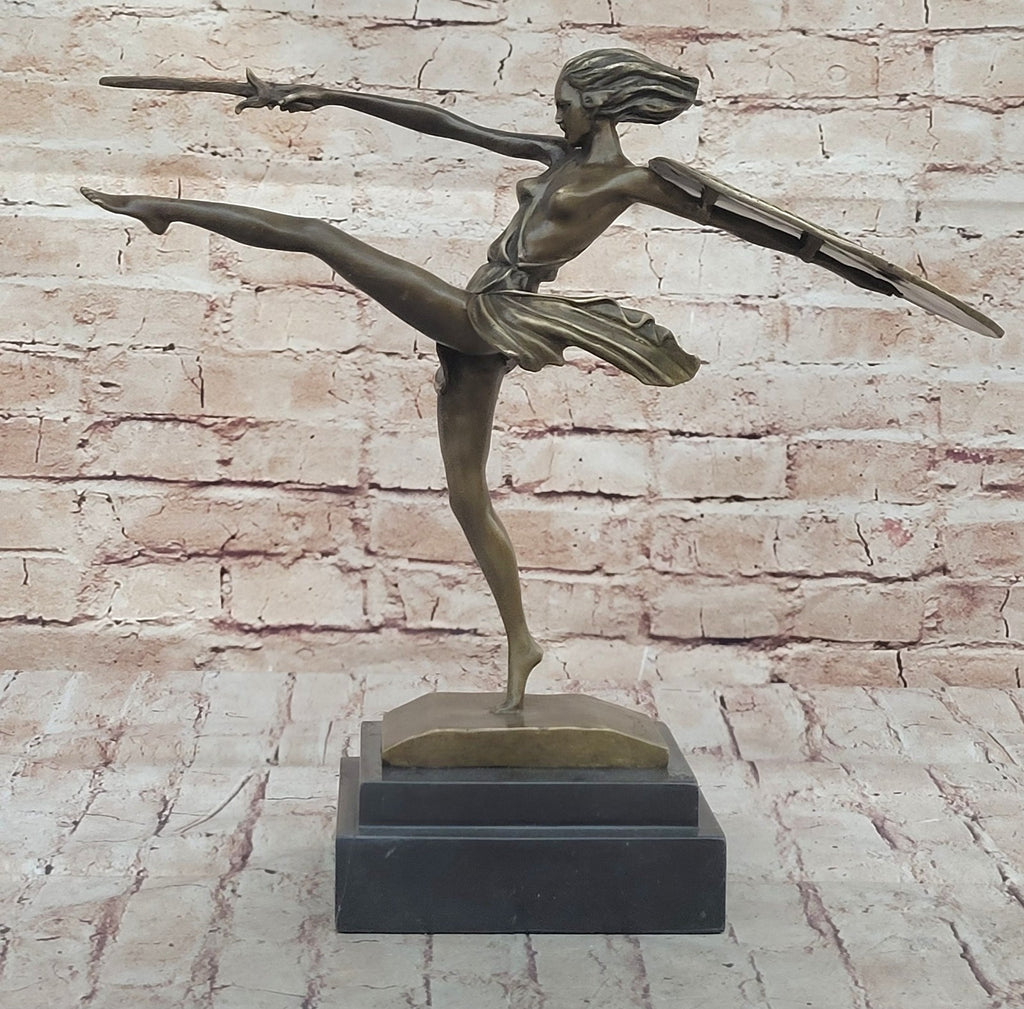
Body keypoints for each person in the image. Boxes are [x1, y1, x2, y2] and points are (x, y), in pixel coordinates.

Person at [82, 49, 1001, 712]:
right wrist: (328, 94)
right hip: (478, 324)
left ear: (597, 109)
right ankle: (521, 640)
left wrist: (872, 271)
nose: (554, 116)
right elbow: (444, 123)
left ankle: (160, 208)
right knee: (465, 493)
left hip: (493, 313)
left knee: (322, 237)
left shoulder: (634, 182)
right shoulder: (556, 157)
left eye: (563, 105)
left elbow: (754, 222)